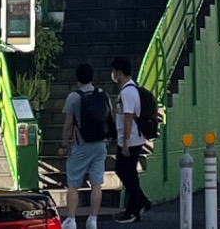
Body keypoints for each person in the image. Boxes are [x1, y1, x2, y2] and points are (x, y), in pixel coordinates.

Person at [59, 64, 110, 229]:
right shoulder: (102, 94)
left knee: (73, 184)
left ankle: (71, 220)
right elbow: (110, 117)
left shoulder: (74, 97)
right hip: (100, 145)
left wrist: (64, 145)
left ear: (77, 78)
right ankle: (93, 219)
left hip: (82, 145)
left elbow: (68, 125)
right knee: (97, 183)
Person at [111, 56, 151, 224]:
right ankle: (137, 205)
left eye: (114, 71)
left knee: (124, 172)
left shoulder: (127, 92)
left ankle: (138, 205)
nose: (113, 75)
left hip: (130, 140)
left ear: (119, 73)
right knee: (129, 174)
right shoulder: (132, 90)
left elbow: (128, 118)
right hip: (133, 139)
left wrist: (125, 143)